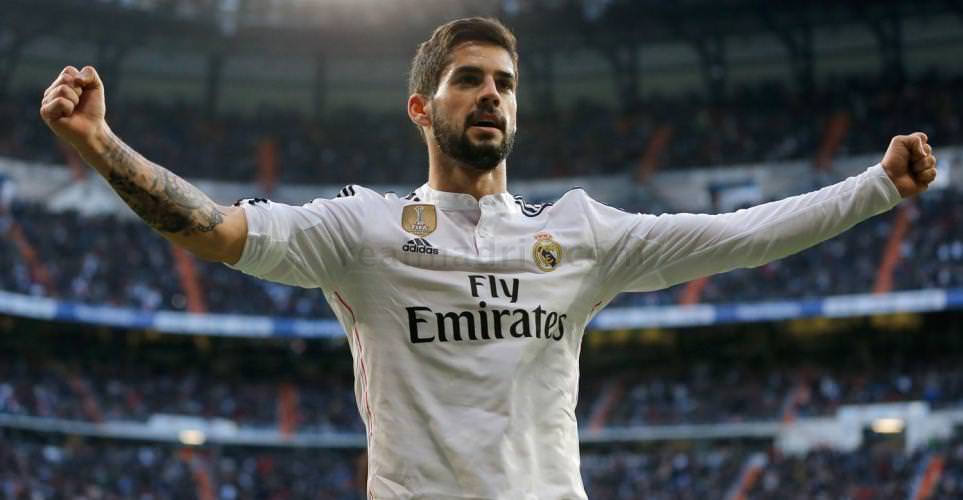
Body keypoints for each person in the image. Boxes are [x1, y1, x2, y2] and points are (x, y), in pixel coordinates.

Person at [39, 17, 937, 500]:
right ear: (420, 108)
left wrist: (875, 187)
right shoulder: (361, 231)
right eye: (467, 79)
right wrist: (99, 143)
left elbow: (739, 237)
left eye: (504, 83)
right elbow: (211, 227)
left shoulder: (580, 232)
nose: (490, 96)